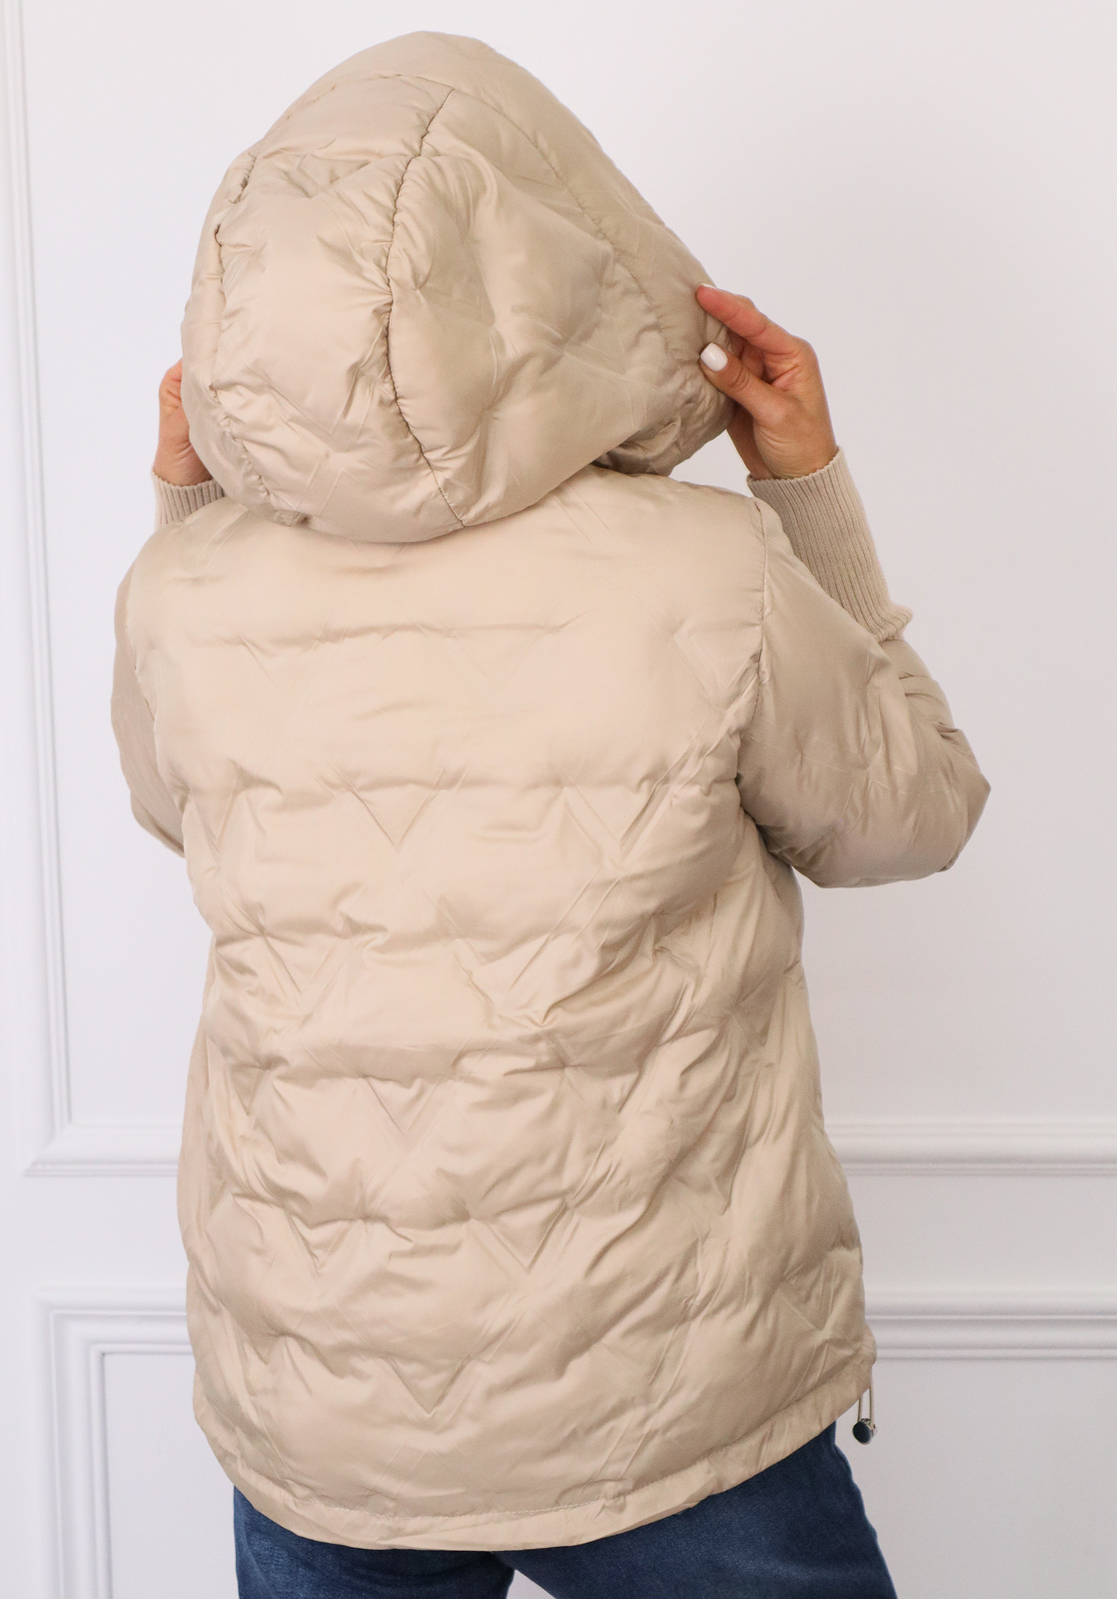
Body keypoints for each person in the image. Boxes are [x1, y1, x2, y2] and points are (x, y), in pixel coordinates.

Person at [112, 30, 989, 1599]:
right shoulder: (707, 572)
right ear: (541, 266)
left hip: (328, 1415)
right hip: (667, 1394)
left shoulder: (184, 593)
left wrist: (194, 514)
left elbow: (187, 818)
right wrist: (808, 493)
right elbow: (914, 814)